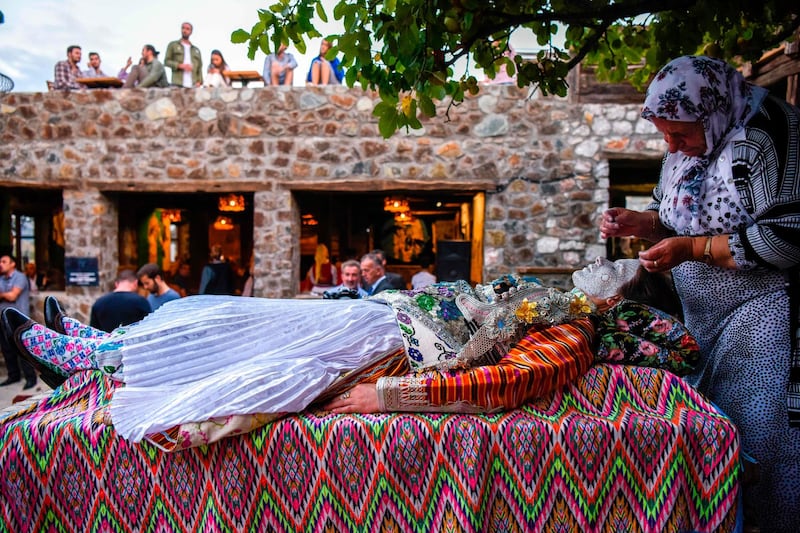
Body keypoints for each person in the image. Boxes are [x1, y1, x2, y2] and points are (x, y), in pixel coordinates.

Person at [0, 258, 697, 444]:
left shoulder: (574, 333)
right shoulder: (563, 311)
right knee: (232, 316)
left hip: (390, 344)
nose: (603, 281)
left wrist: (387, 396)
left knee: (240, 338)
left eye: (616, 283)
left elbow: (504, 386)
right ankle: (110, 344)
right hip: (384, 319)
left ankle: (104, 360)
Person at [599, 55, 800, 533]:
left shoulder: (769, 135)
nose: (672, 146)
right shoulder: (688, 141)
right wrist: (642, 223)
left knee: (762, 438)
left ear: (711, 112)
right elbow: (676, 214)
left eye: (680, 135)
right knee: (716, 428)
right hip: (704, 317)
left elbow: (790, 235)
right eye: (664, 136)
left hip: (766, 312)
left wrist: (694, 249)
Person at [0, 254, 36, 389]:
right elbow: (8, 295)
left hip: (18, 320)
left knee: (23, 350)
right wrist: (6, 294)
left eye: (4, 261)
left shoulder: (20, 277)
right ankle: (13, 376)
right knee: (7, 350)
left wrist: (4, 295)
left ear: (12, 264)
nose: (1, 264)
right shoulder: (1, 279)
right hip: (3, 320)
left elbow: (13, 295)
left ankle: (30, 378)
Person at [164, 22, 203, 88]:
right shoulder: (173, 45)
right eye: (183, 28)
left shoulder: (196, 50)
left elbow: (200, 67)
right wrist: (179, 65)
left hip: (193, 84)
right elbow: (166, 61)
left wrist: (200, 81)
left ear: (191, 32)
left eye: (187, 29)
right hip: (177, 82)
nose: (185, 30)